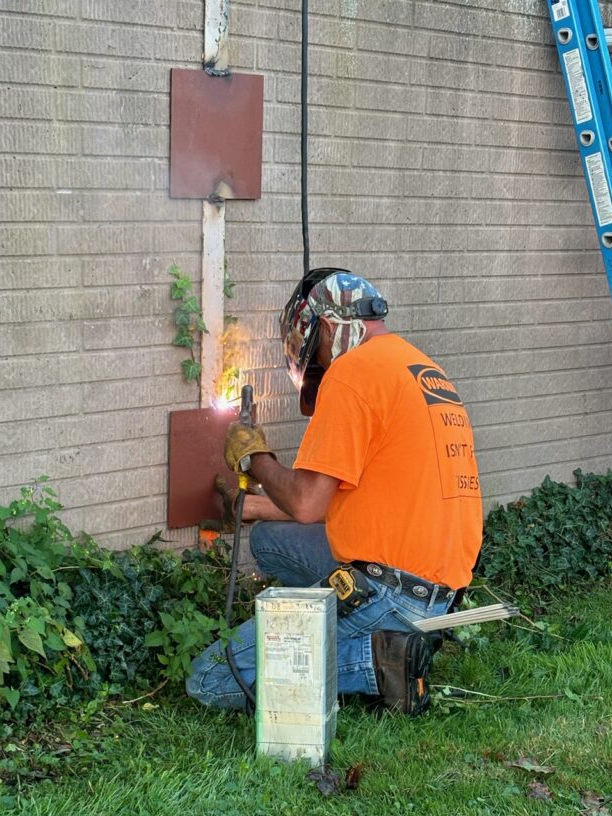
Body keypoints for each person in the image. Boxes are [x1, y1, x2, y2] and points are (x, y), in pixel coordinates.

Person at [186, 269, 483, 714]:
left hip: (391, 591)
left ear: (326, 327)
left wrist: (255, 457)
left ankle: (379, 660)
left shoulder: (352, 373)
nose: (322, 368)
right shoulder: (421, 369)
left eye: (317, 356)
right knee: (270, 540)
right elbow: (362, 498)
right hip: (439, 592)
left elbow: (307, 503)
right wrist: (257, 508)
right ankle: (399, 637)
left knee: (210, 680)